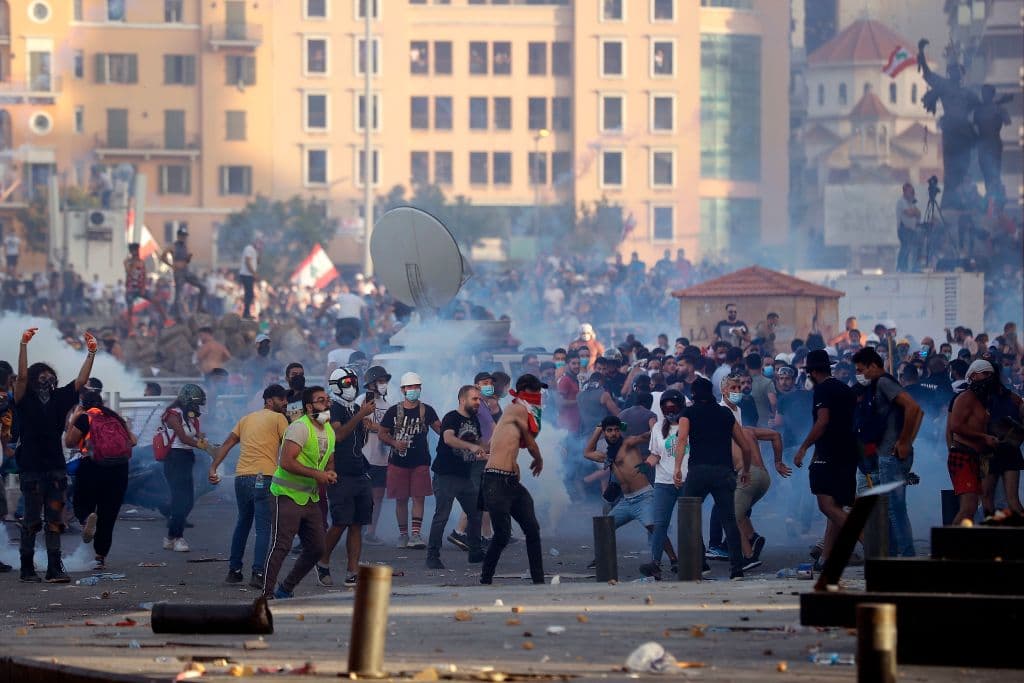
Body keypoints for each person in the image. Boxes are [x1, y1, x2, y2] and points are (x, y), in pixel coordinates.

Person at [14, 327, 97, 583]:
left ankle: (54, 567)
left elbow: (81, 381)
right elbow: (21, 380)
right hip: (31, 466)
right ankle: (27, 566)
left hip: (55, 467)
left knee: (54, 519)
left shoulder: (61, 398)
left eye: (50, 375)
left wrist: (91, 353)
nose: (46, 378)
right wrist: (23, 346)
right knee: (30, 519)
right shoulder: (22, 399)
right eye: (42, 374)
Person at [208, 384, 289, 588]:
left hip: (241, 477)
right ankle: (258, 573)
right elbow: (290, 444)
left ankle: (234, 571)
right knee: (263, 528)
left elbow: (227, 444)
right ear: (269, 401)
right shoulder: (279, 419)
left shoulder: (246, 419)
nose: (285, 402)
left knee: (243, 522)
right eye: (281, 399)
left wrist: (213, 468)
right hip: (263, 477)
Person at [673, 377, 753, 580]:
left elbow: (682, 440)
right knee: (729, 520)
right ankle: (737, 570)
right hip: (723, 472)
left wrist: (677, 468)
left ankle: (700, 563)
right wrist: (746, 470)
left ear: (693, 394)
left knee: (690, 518)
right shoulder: (725, 413)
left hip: (698, 471)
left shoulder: (688, 413)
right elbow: (745, 445)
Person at [262, 386, 337, 599]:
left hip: (309, 497)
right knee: (281, 546)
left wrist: (330, 472)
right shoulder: (300, 427)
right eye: (321, 400)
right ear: (309, 406)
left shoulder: (328, 430)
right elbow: (286, 462)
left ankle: (285, 589)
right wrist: (318, 475)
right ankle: (266, 596)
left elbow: (329, 459)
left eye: (327, 400)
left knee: (317, 548)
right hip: (286, 494)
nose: (327, 404)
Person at [853, 348, 923, 557]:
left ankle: (906, 553)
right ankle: (894, 551)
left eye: (861, 369)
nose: (860, 374)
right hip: (884, 454)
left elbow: (914, 409)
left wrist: (905, 442)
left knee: (894, 507)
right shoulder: (875, 387)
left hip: (891, 456)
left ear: (873, 366)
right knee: (890, 507)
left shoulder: (884, 382)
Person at [479, 374, 546, 585]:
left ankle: (538, 580)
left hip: (510, 482)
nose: (539, 399)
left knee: (532, 529)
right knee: (502, 535)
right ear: (527, 392)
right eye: (536, 394)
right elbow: (529, 440)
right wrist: (538, 458)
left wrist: (514, 463)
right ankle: (485, 579)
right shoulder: (516, 408)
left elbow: (505, 444)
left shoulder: (516, 412)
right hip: (495, 481)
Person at [794, 350, 857, 570]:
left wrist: (803, 448)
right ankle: (826, 558)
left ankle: (872, 543)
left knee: (826, 505)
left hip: (832, 453)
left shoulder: (822, 390)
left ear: (811, 371)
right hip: (848, 452)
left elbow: (822, 422)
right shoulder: (845, 389)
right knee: (837, 504)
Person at [64, 378, 136, 570]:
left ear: (84, 404)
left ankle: (86, 519)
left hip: (92, 464)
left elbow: (69, 442)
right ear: (102, 403)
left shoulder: (84, 417)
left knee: (82, 501)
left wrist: (74, 418)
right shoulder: (115, 417)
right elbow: (133, 441)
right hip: (119, 468)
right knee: (109, 513)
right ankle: (100, 557)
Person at [316, 368, 377, 587]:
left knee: (358, 523)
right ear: (336, 385)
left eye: (353, 381)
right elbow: (338, 436)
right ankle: (322, 561)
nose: (351, 385)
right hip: (339, 474)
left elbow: (357, 443)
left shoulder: (351, 408)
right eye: (347, 382)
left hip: (359, 471)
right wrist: (361, 415)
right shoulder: (333, 409)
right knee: (341, 522)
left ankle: (352, 570)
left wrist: (364, 424)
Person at [378, 372, 440, 549]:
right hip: (398, 462)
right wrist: (394, 443)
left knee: (418, 497)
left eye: (416, 387)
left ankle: (415, 534)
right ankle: (403, 535)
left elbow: (440, 429)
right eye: (409, 387)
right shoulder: (393, 411)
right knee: (401, 499)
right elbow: (382, 433)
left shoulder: (427, 410)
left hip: (420, 461)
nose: (413, 390)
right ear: (403, 390)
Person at [426, 385, 486, 569]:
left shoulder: (475, 420)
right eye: (475, 399)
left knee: (475, 513)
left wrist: (487, 449)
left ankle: (475, 551)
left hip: (465, 475)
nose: (478, 402)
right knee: (441, 516)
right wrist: (471, 447)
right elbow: (448, 439)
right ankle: (432, 556)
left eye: (479, 399)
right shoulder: (452, 417)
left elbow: (476, 442)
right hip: (445, 475)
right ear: (462, 399)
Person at [160, 383, 210, 553]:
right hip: (175, 458)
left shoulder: (191, 416)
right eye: (195, 403)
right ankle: (178, 538)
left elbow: (195, 435)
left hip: (187, 458)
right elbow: (183, 437)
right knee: (181, 499)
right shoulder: (173, 415)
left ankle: (170, 536)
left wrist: (204, 439)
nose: (197, 407)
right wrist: (203, 446)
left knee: (186, 501)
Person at [357, 365, 392, 545]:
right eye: (380, 381)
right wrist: (381, 429)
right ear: (371, 384)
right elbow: (363, 424)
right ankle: (360, 526)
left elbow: (390, 428)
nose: (384, 384)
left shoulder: (387, 405)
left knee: (378, 495)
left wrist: (378, 428)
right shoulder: (361, 401)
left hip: (382, 457)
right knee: (363, 494)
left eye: (385, 381)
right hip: (364, 454)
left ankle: (371, 531)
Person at [162, 226, 206, 317]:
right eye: (182, 236)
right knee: (178, 295)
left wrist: (188, 258)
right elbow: (162, 256)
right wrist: (171, 265)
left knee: (203, 287)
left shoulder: (185, 246)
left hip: (186, 271)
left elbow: (186, 261)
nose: (184, 238)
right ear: (178, 236)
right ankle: (178, 315)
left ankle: (199, 308)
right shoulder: (173, 246)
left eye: (185, 236)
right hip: (179, 273)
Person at [123, 242, 166, 330]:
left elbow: (144, 275)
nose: (136, 252)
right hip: (131, 289)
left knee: (156, 301)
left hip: (140, 288)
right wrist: (132, 264)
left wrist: (143, 287)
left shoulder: (142, 262)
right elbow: (128, 271)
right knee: (130, 308)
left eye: (137, 250)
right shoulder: (127, 261)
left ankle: (165, 319)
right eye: (134, 251)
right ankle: (130, 328)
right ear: (131, 251)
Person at [239, 235, 262, 320]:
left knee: (250, 294)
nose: (259, 244)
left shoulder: (255, 251)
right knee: (249, 294)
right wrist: (254, 273)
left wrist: (260, 252)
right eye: (258, 242)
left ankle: (247, 312)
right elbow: (247, 261)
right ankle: (246, 313)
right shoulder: (249, 248)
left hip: (250, 275)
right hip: (246, 274)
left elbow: (258, 262)